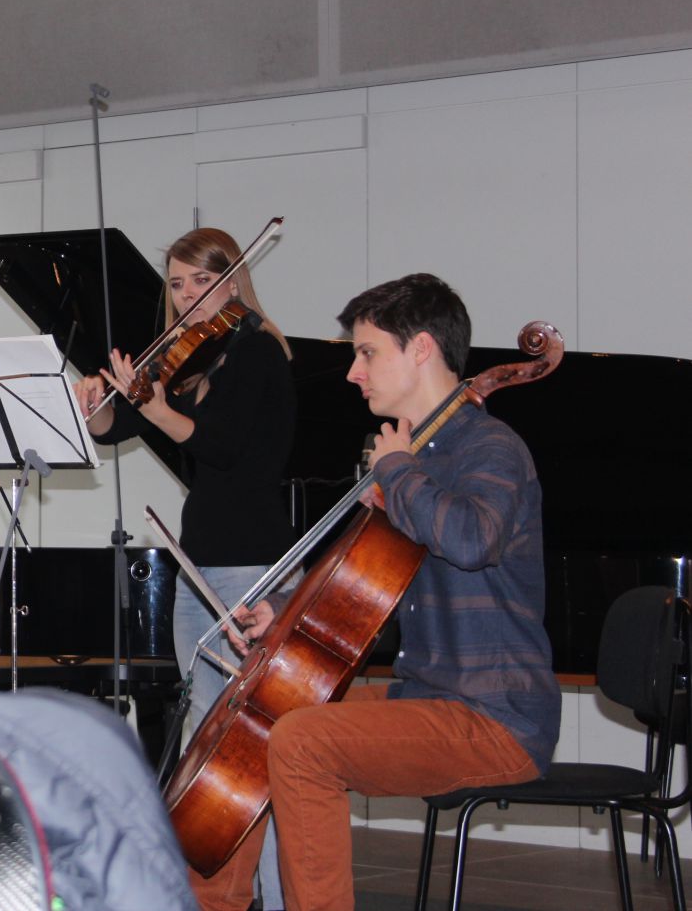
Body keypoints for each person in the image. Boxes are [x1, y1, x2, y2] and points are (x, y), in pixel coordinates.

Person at [191, 273, 561, 911]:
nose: (352, 373)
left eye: (367, 352)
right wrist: (283, 612)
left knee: (304, 742)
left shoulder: (490, 448)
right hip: (427, 697)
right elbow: (362, 585)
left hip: (496, 716)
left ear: (421, 349)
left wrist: (396, 470)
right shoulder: (416, 457)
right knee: (265, 711)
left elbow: (471, 539)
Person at [73, 227, 296, 910]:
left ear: (233, 280)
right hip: (198, 561)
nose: (189, 295)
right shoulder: (188, 357)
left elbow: (221, 448)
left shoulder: (259, 351)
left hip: (251, 565)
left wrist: (154, 405)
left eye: (203, 280)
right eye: (176, 284)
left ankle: (281, 896)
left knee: (257, 742)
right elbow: (120, 429)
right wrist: (98, 406)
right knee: (206, 737)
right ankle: (217, 893)